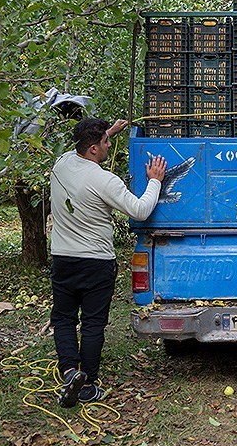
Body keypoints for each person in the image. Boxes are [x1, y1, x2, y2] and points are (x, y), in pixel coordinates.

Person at [49, 117, 166, 407]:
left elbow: (82, 149)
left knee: (63, 318)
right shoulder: (105, 181)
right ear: (92, 148)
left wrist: (108, 130)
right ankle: (87, 384)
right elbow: (139, 210)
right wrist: (154, 181)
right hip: (96, 263)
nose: (110, 144)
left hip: (63, 259)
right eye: (106, 142)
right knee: (92, 323)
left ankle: (68, 371)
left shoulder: (60, 165)